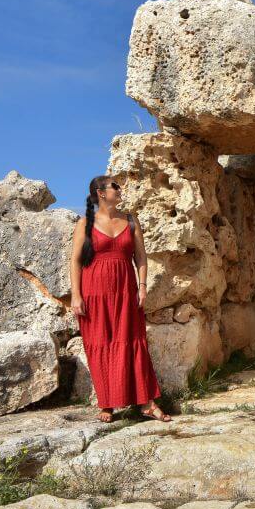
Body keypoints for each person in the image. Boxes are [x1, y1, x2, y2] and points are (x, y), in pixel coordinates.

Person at [69, 176, 171, 423]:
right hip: (94, 292)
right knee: (100, 345)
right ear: (101, 193)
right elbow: (75, 261)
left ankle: (147, 403)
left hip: (126, 290)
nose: (120, 189)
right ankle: (107, 402)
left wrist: (143, 286)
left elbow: (141, 258)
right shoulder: (85, 224)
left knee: (133, 342)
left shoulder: (131, 221)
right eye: (115, 186)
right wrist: (76, 295)